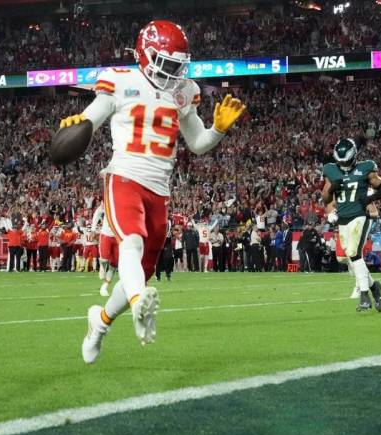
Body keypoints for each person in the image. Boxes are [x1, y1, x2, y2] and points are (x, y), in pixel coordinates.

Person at [64, 20, 245, 363]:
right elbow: (92, 117)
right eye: (169, 63)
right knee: (130, 243)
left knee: (140, 272)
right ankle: (139, 306)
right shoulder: (121, 80)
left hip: (160, 191)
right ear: (146, 55)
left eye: (180, 65)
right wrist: (80, 122)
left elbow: (197, 143)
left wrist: (218, 130)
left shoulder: (183, 91)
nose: (175, 71)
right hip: (124, 176)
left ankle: (99, 323)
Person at [322, 137, 381, 312]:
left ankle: (364, 296)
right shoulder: (331, 170)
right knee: (350, 257)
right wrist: (331, 188)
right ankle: (375, 287)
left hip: (360, 215)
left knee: (354, 252)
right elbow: (325, 198)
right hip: (343, 219)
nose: (343, 164)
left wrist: (369, 198)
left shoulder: (365, 168)